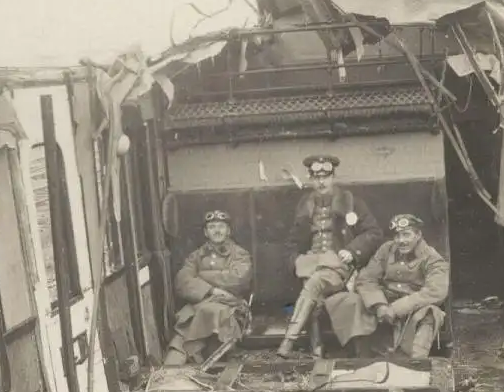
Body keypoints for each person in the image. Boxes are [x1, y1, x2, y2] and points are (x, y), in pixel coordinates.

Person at [276, 154, 382, 358]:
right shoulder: (305, 205)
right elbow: (292, 240)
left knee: (313, 283)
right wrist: (295, 260)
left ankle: (290, 340)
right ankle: (317, 349)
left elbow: (373, 232)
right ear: (310, 178)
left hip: (338, 265)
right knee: (313, 289)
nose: (321, 181)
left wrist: (352, 251)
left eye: (325, 176)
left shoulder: (351, 202)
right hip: (311, 263)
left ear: (333, 176)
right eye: (316, 176)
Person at [323, 213, 450, 364]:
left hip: (412, 307)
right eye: (397, 236)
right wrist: (379, 305)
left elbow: (435, 291)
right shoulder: (387, 249)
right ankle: (361, 358)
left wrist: (396, 309)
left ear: (418, 235)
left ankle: (416, 363)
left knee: (431, 313)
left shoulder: (432, 258)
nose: (401, 241)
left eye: (406, 235)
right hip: (384, 302)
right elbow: (366, 278)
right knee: (348, 300)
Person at [164, 210, 253, 366]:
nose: (217, 230)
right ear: (206, 232)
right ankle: (172, 368)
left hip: (230, 306)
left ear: (228, 231)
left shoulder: (240, 254)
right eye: (212, 227)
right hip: (200, 305)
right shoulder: (196, 256)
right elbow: (182, 281)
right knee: (185, 327)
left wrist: (202, 276)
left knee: (211, 312)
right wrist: (212, 290)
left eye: (221, 226)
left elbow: (238, 280)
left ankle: (200, 357)